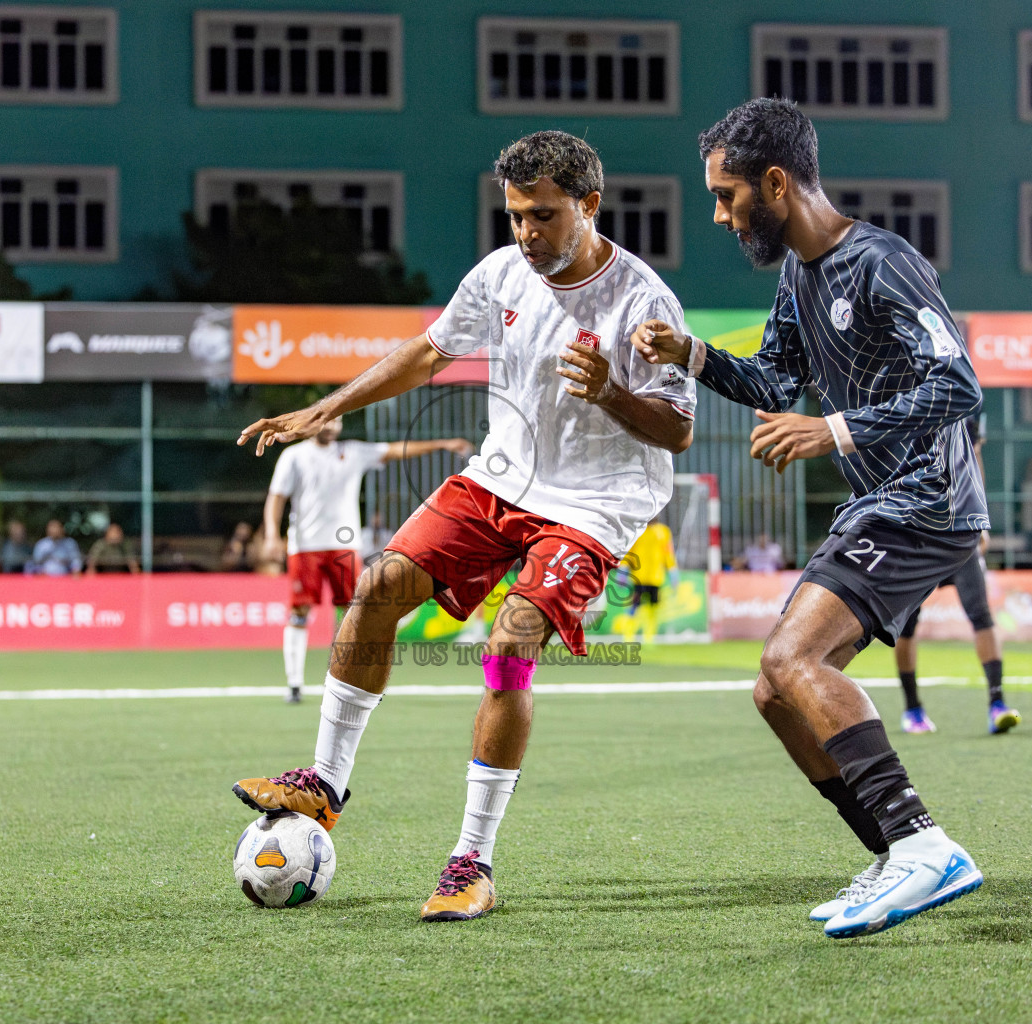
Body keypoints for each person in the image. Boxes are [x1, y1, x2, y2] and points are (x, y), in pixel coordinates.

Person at [234, 130, 696, 922]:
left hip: (595, 501)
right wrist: (326, 406)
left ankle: (471, 863)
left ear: (589, 205)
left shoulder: (645, 302)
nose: (527, 233)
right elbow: (427, 352)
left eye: (544, 216)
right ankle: (324, 782)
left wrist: (613, 393)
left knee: (509, 644)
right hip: (500, 479)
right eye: (516, 215)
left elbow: (678, 430)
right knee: (377, 583)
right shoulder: (501, 272)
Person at [634, 99, 985, 939]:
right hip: (881, 502)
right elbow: (770, 384)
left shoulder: (882, 262)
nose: (720, 216)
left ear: (778, 183)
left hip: (925, 501)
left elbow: (961, 384)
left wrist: (835, 429)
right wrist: (692, 353)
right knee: (774, 689)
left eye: (728, 196)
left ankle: (923, 845)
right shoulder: (798, 274)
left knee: (791, 656)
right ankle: (897, 855)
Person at [263, 417, 473, 703]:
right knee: (299, 612)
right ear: (312, 425)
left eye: (335, 420)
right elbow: (276, 497)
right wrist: (272, 535)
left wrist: (443, 443)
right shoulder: (294, 455)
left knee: (357, 612)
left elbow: (397, 449)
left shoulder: (354, 452)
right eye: (324, 421)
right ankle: (294, 684)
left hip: (344, 546)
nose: (330, 426)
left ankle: (356, 681)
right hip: (305, 546)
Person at [896, 417, 1020, 736]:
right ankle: (912, 709)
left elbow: (973, 455)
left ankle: (997, 704)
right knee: (906, 625)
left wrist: (982, 517)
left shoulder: (965, 395)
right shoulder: (899, 387)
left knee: (981, 614)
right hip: (914, 530)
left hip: (958, 526)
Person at [614, 519, 677, 643]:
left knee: (653, 608)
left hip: (656, 578)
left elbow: (668, 553)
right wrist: (623, 570)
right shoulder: (637, 531)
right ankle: (628, 636)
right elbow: (629, 553)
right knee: (634, 606)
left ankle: (649, 638)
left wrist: (672, 571)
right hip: (639, 577)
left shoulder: (664, 531)